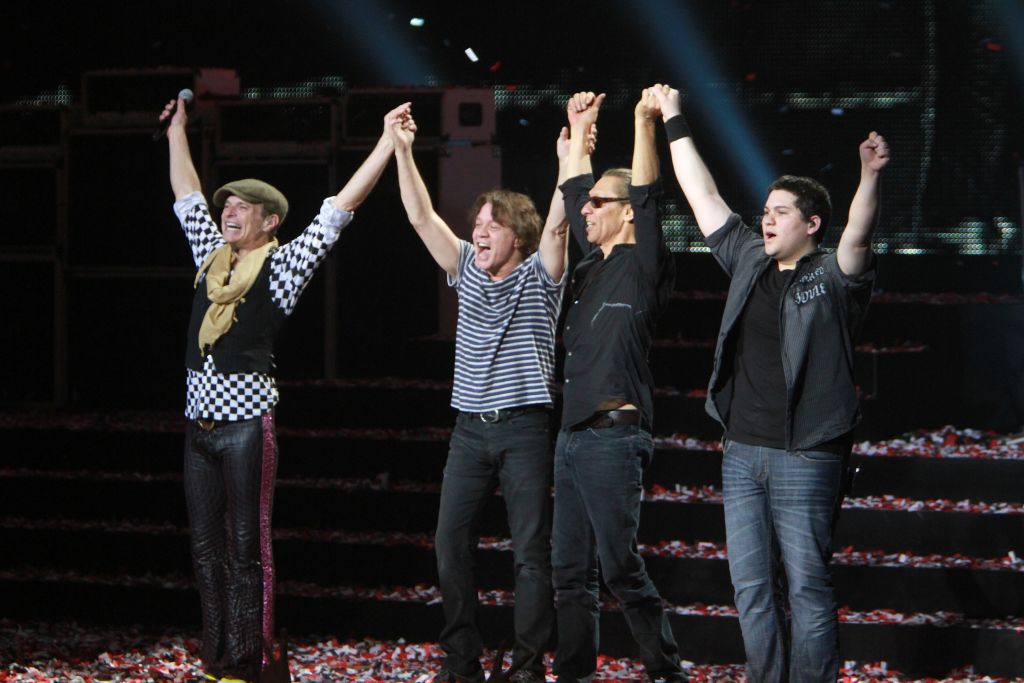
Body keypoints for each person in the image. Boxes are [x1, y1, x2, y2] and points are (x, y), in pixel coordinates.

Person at [650, 84, 890, 681]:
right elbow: (699, 190)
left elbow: (858, 232)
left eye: (781, 211)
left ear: (811, 224)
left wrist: (869, 175)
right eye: (766, 209)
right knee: (751, 586)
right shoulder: (748, 258)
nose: (767, 217)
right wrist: (674, 118)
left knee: (806, 583)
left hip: (806, 451)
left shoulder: (833, 277)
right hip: (743, 450)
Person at [159, 94, 401, 683]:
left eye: (244, 207)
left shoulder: (283, 265)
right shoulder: (211, 260)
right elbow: (187, 194)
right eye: (229, 205)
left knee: (246, 547)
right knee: (205, 550)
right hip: (199, 429)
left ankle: (250, 659)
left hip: (245, 428)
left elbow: (338, 210)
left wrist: (389, 145)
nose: (229, 212)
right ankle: (218, 658)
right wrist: (176, 131)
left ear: (269, 221)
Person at [385, 104, 571, 683]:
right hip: (469, 428)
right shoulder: (465, 267)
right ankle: (461, 660)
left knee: (530, 554)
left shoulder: (541, 275)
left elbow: (562, 223)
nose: (479, 232)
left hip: (523, 428)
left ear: (519, 233)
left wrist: (569, 160)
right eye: (477, 224)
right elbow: (421, 218)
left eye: (492, 224)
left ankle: (526, 664)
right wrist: (403, 150)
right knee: (449, 542)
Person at [551, 89, 684, 683]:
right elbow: (575, 191)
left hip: (612, 436)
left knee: (620, 568)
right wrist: (579, 130)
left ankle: (666, 670)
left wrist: (640, 122)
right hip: (572, 438)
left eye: (601, 204)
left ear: (626, 210)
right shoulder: (592, 263)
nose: (586, 211)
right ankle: (576, 674)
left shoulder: (644, 262)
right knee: (569, 573)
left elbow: (651, 195)